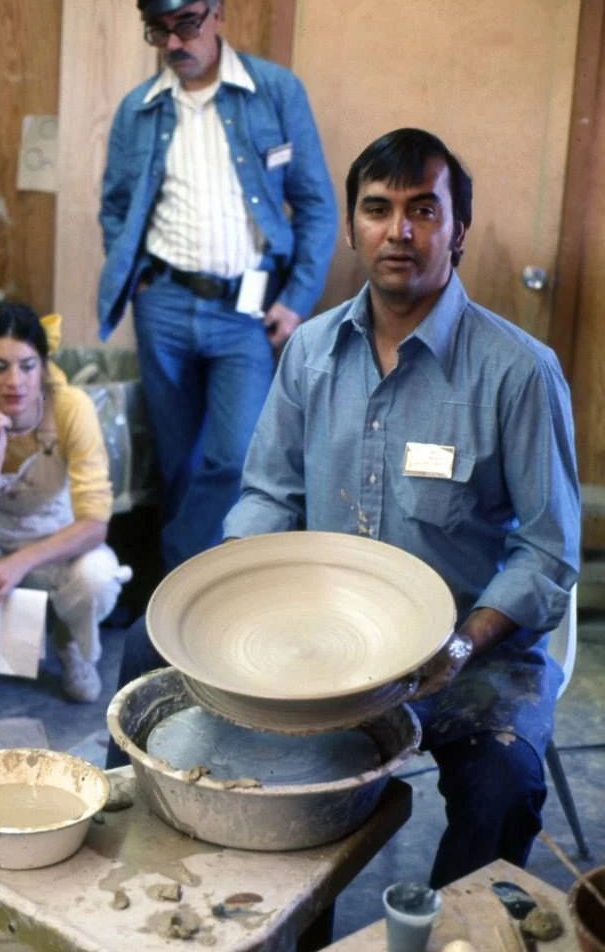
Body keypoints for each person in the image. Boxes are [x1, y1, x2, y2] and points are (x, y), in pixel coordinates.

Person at [104, 128, 580, 889]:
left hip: (465, 655)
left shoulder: (519, 371)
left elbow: (549, 553)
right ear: (354, 227)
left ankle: (448, 934)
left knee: (504, 786)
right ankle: (146, 889)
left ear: (459, 231)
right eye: (378, 208)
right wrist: (235, 605)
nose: (400, 230)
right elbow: (267, 493)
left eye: (424, 210)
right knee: (145, 653)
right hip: (324, 641)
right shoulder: (312, 349)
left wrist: (462, 644)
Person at [98, 0, 337, 572]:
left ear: (216, 11)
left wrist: (297, 299)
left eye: (186, 24)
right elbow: (115, 207)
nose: (175, 43)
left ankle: (189, 581)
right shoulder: (139, 109)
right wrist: (141, 287)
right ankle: (182, 601)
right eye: (159, 31)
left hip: (248, 312)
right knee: (177, 461)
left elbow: (316, 204)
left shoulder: (275, 92)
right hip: (166, 306)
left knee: (234, 460)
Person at [0, 303, 132, 702]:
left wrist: (19, 563)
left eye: (27, 365)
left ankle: (69, 640)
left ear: (43, 365)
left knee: (98, 577)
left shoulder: (71, 406)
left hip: (57, 535)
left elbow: (94, 523)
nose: (15, 382)